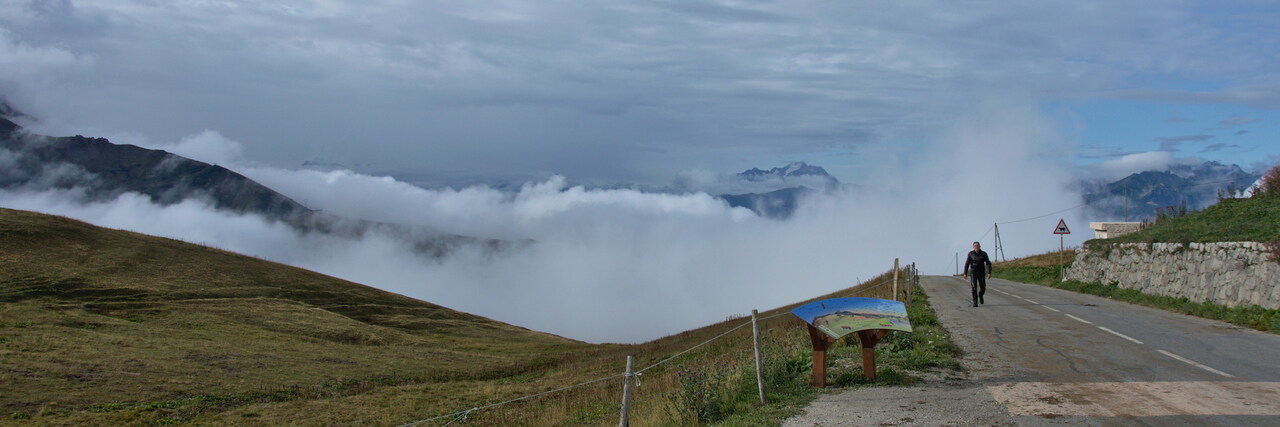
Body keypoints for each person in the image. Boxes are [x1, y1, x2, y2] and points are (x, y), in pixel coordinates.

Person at [963, 241, 992, 307]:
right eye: (975, 246)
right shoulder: (970, 254)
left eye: (977, 245)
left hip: (981, 273)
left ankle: (980, 295)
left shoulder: (984, 254)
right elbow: (967, 264)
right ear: (973, 247)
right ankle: (975, 301)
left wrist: (989, 272)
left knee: (983, 287)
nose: (976, 247)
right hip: (973, 273)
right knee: (974, 287)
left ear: (979, 246)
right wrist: (965, 273)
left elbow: (988, 263)